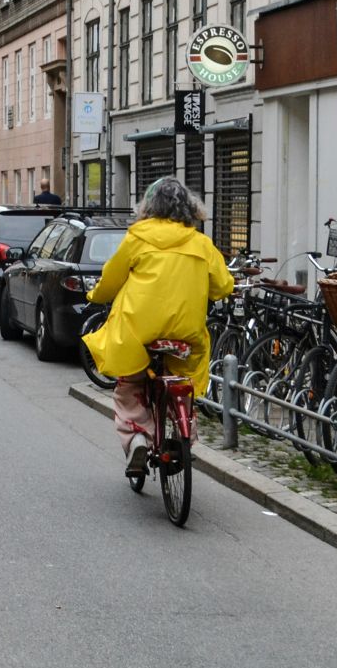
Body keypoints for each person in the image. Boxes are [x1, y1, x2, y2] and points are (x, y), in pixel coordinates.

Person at [83, 177, 234, 474]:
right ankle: (182, 429)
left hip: (139, 330)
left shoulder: (137, 237)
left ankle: (138, 436)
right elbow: (223, 285)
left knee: (130, 385)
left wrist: (94, 295)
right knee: (183, 381)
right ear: (190, 208)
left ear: (148, 207)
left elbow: (111, 280)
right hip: (184, 333)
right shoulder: (201, 243)